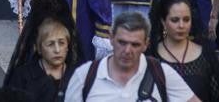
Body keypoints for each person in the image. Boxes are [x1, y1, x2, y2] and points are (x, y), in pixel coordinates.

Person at [64, 12, 197, 102]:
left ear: (146, 45)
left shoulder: (161, 74)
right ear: (111, 38)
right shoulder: (85, 76)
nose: (127, 50)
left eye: (135, 44)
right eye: (122, 42)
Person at [149, 0, 219, 102]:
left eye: (186, 20)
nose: (181, 25)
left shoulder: (205, 55)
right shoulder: (151, 56)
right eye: (175, 20)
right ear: (163, 22)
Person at [3, 0, 80, 102]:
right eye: (50, 44)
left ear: (68, 45)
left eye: (62, 43)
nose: (57, 50)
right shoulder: (22, 78)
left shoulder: (79, 76)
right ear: (38, 47)